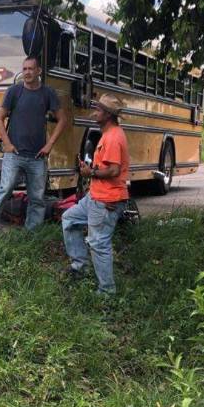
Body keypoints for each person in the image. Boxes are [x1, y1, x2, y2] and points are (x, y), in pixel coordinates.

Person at [0, 56, 68, 233]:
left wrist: (49, 144)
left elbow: (63, 119)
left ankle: (32, 234)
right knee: (4, 189)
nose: (27, 72)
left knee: (37, 197)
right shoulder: (14, 91)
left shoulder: (47, 93)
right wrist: (7, 144)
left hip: (37, 156)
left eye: (30, 69)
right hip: (15, 154)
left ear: (38, 71)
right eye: (25, 69)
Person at [61, 94, 130, 295]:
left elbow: (114, 171)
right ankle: (79, 267)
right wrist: (91, 169)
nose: (94, 112)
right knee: (69, 220)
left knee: (99, 244)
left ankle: (106, 292)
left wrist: (89, 172)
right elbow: (106, 167)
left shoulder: (114, 137)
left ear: (108, 115)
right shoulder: (108, 135)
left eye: (98, 109)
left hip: (106, 200)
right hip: (95, 196)